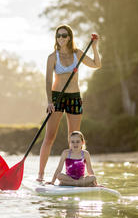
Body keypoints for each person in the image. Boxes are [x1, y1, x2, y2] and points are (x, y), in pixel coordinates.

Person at [37, 24, 101, 182]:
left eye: (64, 35)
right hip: (57, 97)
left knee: (73, 139)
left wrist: (94, 47)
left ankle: (73, 173)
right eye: (58, 36)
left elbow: (96, 64)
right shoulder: (52, 57)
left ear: (70, 37)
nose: (61, 38)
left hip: (74, 97)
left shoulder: (77, 53)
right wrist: (49, 101)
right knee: (50, 136)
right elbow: (47, 81)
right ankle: (40, 174)